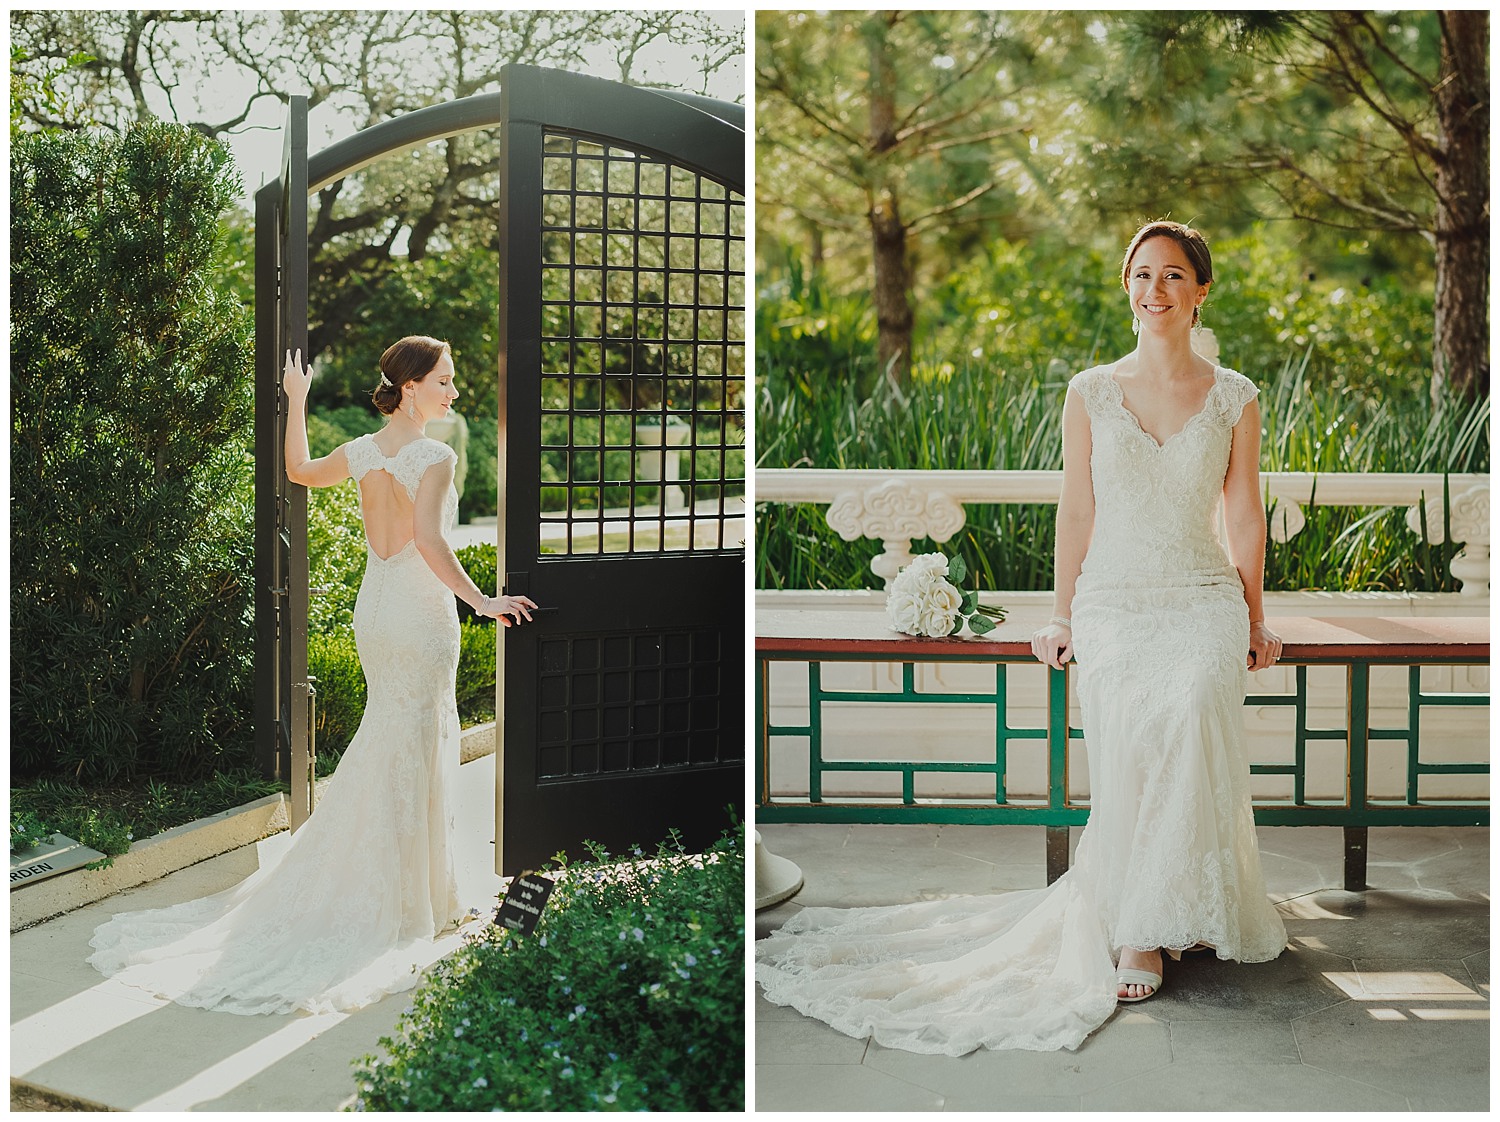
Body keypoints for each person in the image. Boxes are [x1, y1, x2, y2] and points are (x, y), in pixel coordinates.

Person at [755, 222, 1288, 1054]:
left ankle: (1175, 903)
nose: (1155, 290)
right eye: (1142, 274)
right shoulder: (1090, 391)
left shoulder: (1236, 396)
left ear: (1201, 290)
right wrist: (1064, 613)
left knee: (1191, 700)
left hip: (1200, 594)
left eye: (1173, 275)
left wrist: (1254, 618)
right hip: (1113, 595)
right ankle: (1139, 926)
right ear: (1128, 286)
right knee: (1129, 709)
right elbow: (1075, 509)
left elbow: (1243, 514)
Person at [88, 336, 536, 1016]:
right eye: (444, 381)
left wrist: (296, 400)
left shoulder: (361, 451)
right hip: (419, 614)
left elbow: (296, 469)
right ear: (410, 387)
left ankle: (395, 882)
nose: (453, 391)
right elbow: (430, 540)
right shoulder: (436, 455)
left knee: (390, 736)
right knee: (416, 740)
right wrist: (482, 601)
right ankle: (417, 895)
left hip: (375, 608)